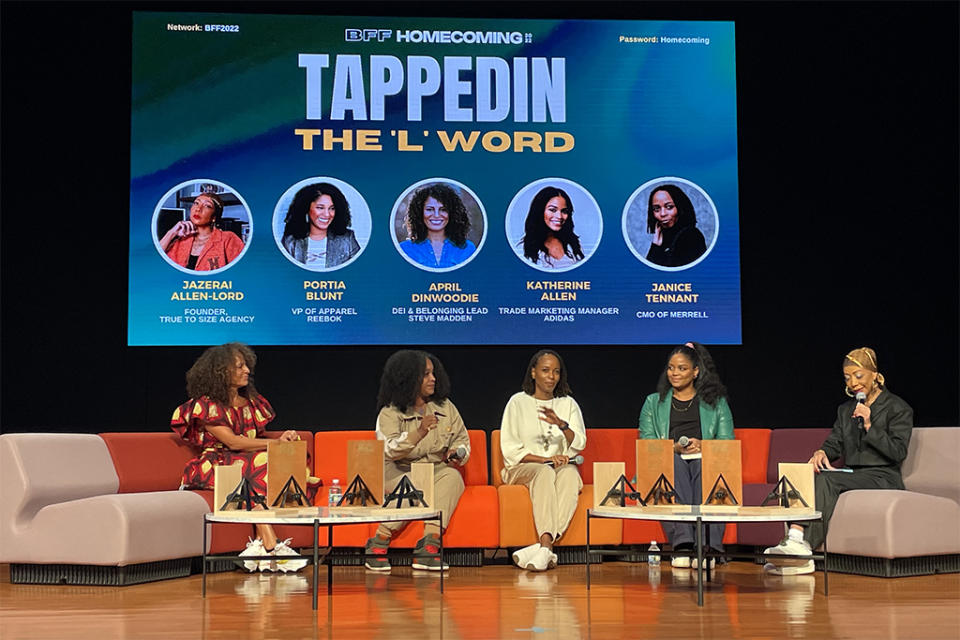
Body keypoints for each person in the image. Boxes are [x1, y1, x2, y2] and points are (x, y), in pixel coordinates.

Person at [171, 342, 320, 572]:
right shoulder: (207, 406)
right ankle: (272, 546)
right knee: (255, 468)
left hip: (245, 462)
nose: (247, 371)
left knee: (275, 462)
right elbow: (233, 442)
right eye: (240, 367)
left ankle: (264, 546)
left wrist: (284, 439)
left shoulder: (251, 403)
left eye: (246, 366)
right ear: (221, 371)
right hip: (216, 463)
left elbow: (255, 438)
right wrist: (275, 444)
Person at [764, 347, 913, 575]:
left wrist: (870, 426)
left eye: (858, 375)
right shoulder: (846, 410)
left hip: (883, 475)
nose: (853, 383)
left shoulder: (898, 408)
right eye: (847, 378)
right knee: (807, 474)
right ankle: (791, 546)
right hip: (854, 473)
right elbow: (835, 442)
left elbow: (898, 451)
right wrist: (821, 452)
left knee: (828, 480)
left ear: (875, 374)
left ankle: (801, 545)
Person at [367, 350, 470, 572]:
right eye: (426, 375)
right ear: (407, 378)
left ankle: (429, 544)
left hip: (435, 469)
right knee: (418, 482)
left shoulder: (446, 407)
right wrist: (420, 431)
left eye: (433, 373)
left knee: (453, 476)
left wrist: (457, 452)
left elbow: (463, 441)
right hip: (396, 471)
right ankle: (379, 541)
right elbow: (390, 449)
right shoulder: (389, 413)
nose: (433, 379)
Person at [638, 342, 734, 570]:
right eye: (671, 368)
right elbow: (647, 442)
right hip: (669, 462)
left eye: (681, 368)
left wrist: (704, 446)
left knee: (705, 466)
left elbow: (727, 444)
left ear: (695, 371)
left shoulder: (716, 402)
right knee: (674, 463)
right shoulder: (653, 402)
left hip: (706, 461)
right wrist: (673, 448)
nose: (674, 373)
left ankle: (707, 546)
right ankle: (683, 544)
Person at [500, 349, 587, 571]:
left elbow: (579, 444)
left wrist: (562, 425)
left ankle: (543, 547)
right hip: (521, 468)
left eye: (556, 372)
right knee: (544, 472)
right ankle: (547, 544)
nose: (551, 376)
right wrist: (544, 459)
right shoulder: (517, 402)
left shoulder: (568, 403)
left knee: (570, 476)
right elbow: (510, 449)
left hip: (559, 467)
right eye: (546, 370)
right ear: (533, 373)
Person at [281, 182, 361, 269]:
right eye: (320, 207)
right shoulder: (290, 241)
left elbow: (359, 270)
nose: (327, 214)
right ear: (306, 208)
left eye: (332, 208)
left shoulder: (347, 239)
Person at [160, 192, 244, 271]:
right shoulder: (180, 241)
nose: (198, 209)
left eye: (207, 206)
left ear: (214, 217)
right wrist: (171, 233)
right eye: (196, 203)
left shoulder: (228, 239)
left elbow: (244, 271)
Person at [399, 183, 477, 268]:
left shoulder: (467, 249)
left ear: (452, 213)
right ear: (420, 212)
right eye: (430, 209)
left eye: (443, 209)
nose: (436, 215)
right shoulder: (405, 249)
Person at [520, 186, 585, 269]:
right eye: (552, 210)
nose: (559, 216)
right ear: (540, 211)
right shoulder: (524, 248)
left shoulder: (574, 244)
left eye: (564, 211)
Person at [644, 184, 706, 268]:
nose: (662, 214)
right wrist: (655, 245)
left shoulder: (691, 236)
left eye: (669, 207)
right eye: (656, 209)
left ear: (680, 207)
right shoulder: (661, 239)